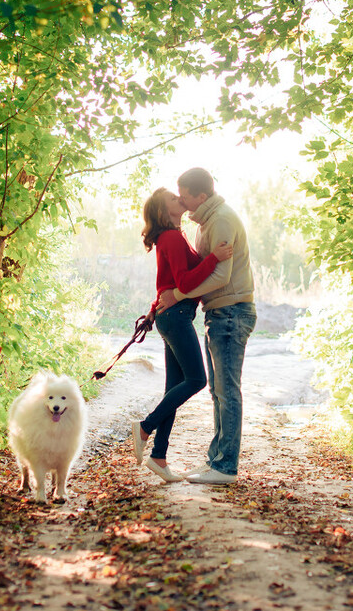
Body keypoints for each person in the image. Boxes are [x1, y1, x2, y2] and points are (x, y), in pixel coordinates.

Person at [157, 168, 256, 485]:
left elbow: (221, 276)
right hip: (219, 311)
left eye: (184, 194)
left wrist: (178, 295)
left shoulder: (222, 219)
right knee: (218, 390)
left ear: (201, 196)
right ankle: (217, 460)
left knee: (227, 390)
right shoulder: (204, 224)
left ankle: (226, 467)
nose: (182, 200)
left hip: (232, 310)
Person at [134, 187, 234, 482]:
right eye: (173, 200)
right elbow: (184, 281)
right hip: (176, 319)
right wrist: (213, 258)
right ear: (165, 212)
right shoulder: (173, 237)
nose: (180, 199)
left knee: (173, 390)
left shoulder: (172, 237)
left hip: (171, 316)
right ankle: (145, 427)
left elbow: (165, 282)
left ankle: (159, 456)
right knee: (197, 380)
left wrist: (154, 307)